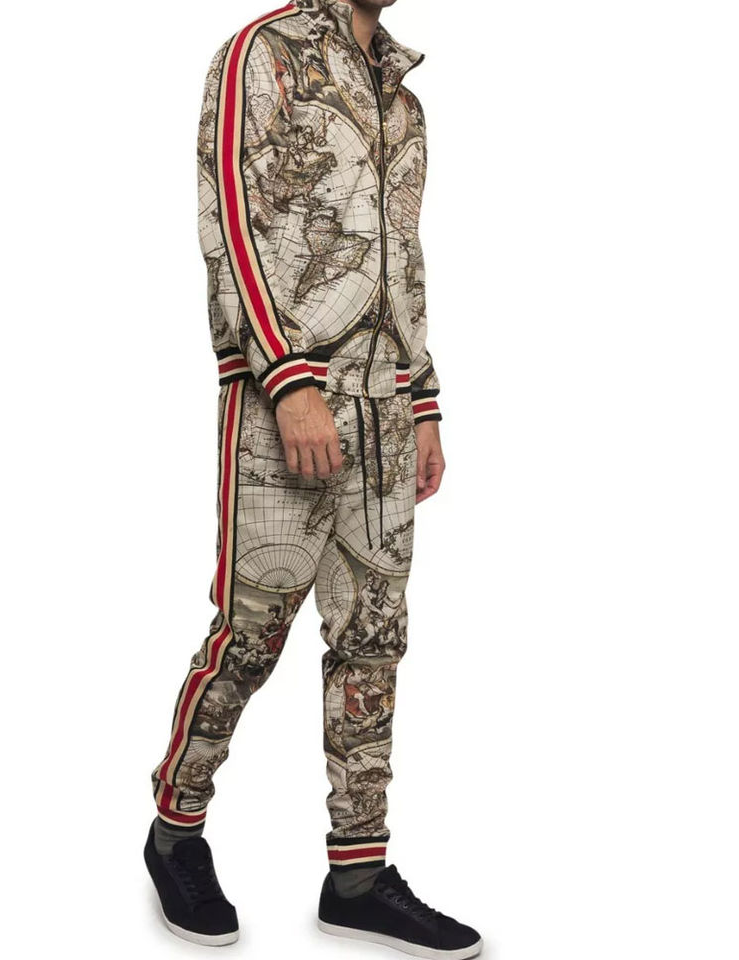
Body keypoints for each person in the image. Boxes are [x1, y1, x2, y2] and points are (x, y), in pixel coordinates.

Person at [145, 2, 481, 956]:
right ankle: (175, 831)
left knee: (374, 641)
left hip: (387, 410)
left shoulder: (402, 100)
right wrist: (288, 380)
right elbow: (233, 224)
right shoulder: (264, 52)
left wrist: (424, 398)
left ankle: (359, 877)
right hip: (284, 401)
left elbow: (404, 259)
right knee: (251, 637)